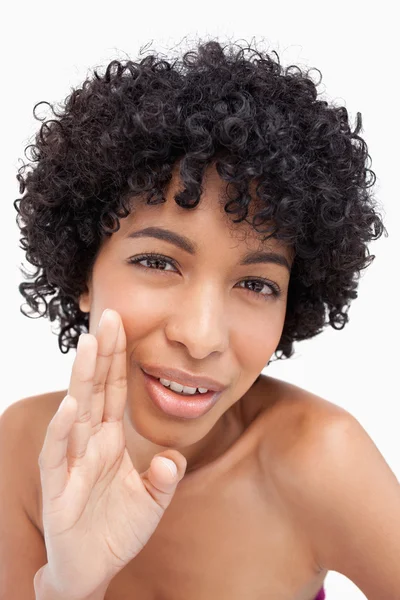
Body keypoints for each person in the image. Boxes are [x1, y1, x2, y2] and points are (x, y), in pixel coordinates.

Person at [2, 38, 399, 600]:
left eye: (257, 283)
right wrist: (69, 588)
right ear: (81, 272)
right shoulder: (24, 450)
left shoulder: (318, 461)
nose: (201, 335)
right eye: (157, 261)